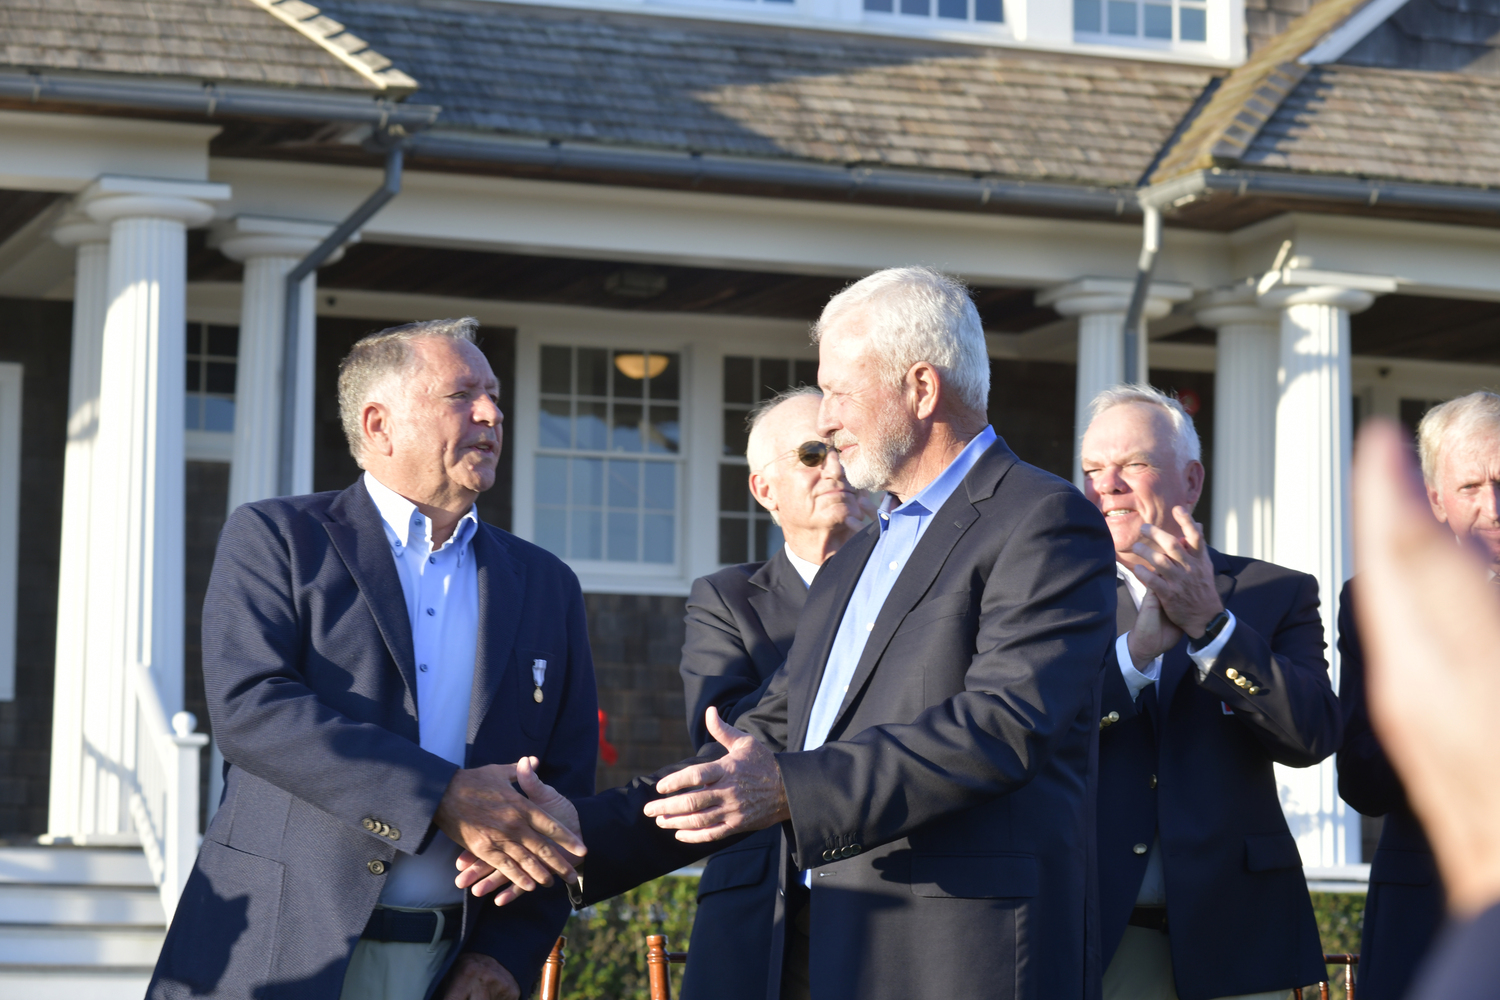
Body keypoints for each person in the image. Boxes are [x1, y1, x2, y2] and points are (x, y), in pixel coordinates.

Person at [467, 266, 1119, 1000]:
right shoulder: (860, 559)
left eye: (840, 390)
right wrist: (578, 832)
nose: (829, 421)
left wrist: (789, 789)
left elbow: (1005, 725)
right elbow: (763, 740)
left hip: (956, 958)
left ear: (922, 389)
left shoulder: (1043, 520)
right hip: (815, 948)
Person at [147, 319, 598, 1000]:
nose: (491, 413)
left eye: (495, 396)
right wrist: (439, 796)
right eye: (461, 395)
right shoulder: (277, 539)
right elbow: (252, 708)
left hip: (450, 968)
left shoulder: (544, 583)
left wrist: (505, 956)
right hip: (281, 953)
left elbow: (566, 794)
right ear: (379, 424)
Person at [1079, 384, 1341, 1000]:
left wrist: (1214, 628)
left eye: (1134, 464)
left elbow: (1312, 735)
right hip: (1098, 933)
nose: (1107, 485)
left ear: (1191, 481)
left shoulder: (1275, 592)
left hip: (1240, 939)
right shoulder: (1050, 597)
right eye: (1093, 469)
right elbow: (1030, 727)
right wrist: (1135, 658)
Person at [676, 387, 868, 1000]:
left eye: (842, 447)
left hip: (892, 895)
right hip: (769, 906)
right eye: (812, 454)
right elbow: (723, 742)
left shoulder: (926, 594)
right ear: (765, 490)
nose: (834, 466)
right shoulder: (726, 599)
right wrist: (849, 607)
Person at [1337, 391, 1500, 1000]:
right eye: (1471, 487)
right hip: (1425, 910)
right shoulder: (1380, 605)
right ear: (1433, 499)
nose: (1494, 506)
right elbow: (1359, 781)